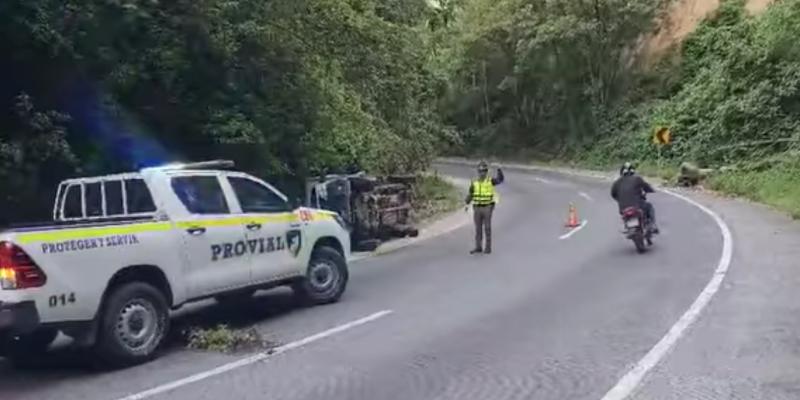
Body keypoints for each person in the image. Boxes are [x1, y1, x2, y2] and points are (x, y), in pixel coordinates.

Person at [465, 161, 504, 254]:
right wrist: (467, 204)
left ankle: (488, 247)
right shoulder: (474, 182)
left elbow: (500, 180)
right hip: (477, 207)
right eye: (481, 171)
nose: (482, 173)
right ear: (478, 172)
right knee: (478, 228)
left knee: (487, 228)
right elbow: (471, 193)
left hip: (487, 206)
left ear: (486, 172)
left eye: (484, 171)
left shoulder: (490, 180)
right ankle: (478, 247)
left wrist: (499, 170)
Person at [610, 162, 659, 233]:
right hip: (637, 206)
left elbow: (613, 194)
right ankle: (652, 225)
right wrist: (652, 190)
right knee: (649, 206)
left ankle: (626, 226)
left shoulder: (617, 183)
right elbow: (647, 187)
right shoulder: (637, 179)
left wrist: (619, 199)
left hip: (623, 209)